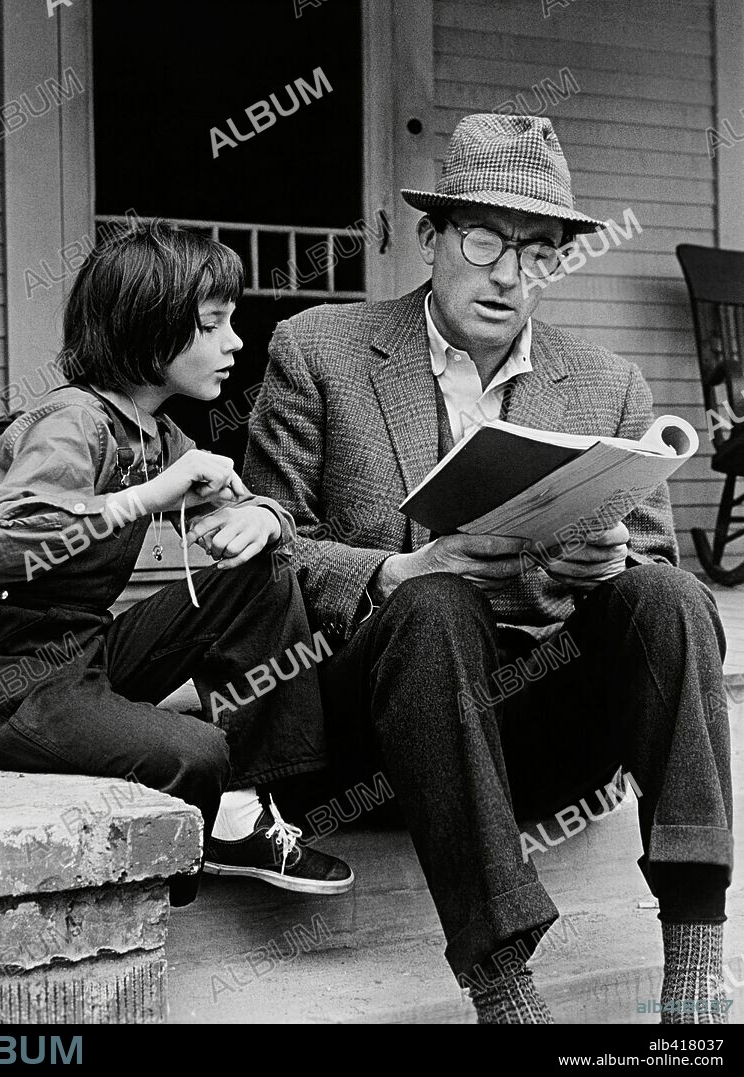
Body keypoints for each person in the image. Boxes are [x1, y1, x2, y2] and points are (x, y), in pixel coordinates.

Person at [243, 114, 733, 1023]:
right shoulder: (318, 352)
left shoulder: (608, 384)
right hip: (372, 737)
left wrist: (607, 561)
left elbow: (662, 587)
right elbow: (266, 565)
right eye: (483, 239)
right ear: (430, 240)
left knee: (667, 596)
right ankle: (504, 990)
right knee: (432, 601)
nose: (509, 274)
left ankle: (696, 969)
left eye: (539, 251)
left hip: (531, 734)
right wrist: (397, 571)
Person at [0, 220, 353, 904]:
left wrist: (257, 517)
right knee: (196, 751)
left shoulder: (155, 432)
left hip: (86, 651)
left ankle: (243, 811)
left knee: (264, 574)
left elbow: (251, 510)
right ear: (147, 328)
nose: (235, 343)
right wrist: (142, 498)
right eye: (213, 325)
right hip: (5, 680)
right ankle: (180, 874)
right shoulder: (72, 422)